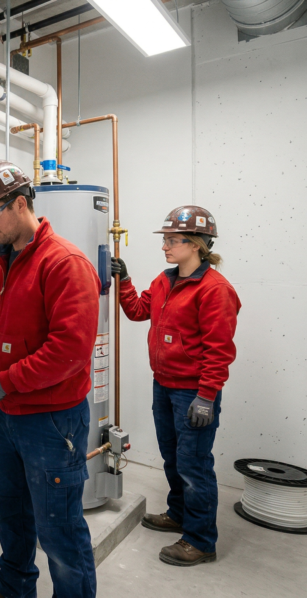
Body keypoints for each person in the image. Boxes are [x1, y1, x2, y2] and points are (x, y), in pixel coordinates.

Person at [0, 161, 101, 598]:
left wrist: (4, 381)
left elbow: (68, 352)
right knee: (11, 514)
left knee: (59, 530)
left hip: (51, 420)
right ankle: (14, 589)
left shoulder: (65, 264)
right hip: (7, 416)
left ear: (21, 203)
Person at [112, 206, 240, 567]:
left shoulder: (215, 290)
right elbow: (138, 311)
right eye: (165, 239)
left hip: (193, 392)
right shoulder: (163, 281)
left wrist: (207, 396)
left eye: (172, 240)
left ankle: (201, 541)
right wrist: (124, 282)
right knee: (174, 457)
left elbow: (219, 350)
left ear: (196, 244)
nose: (165, 246)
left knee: (194, 464)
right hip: (163, 385)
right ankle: (179, 515)